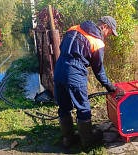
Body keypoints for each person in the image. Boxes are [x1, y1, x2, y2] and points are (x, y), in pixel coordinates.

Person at [54, 16, 118, 148]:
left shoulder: (73, 29)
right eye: (109, 33)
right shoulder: (97, 42)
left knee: (64, 107)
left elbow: (61, 47)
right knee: (83, 108)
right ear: (105, 26)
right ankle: (87, 142)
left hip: (59, 70)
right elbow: (99, 70)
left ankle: (68, 139)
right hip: (75, 74)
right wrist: (109, 86)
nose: (107, 36)